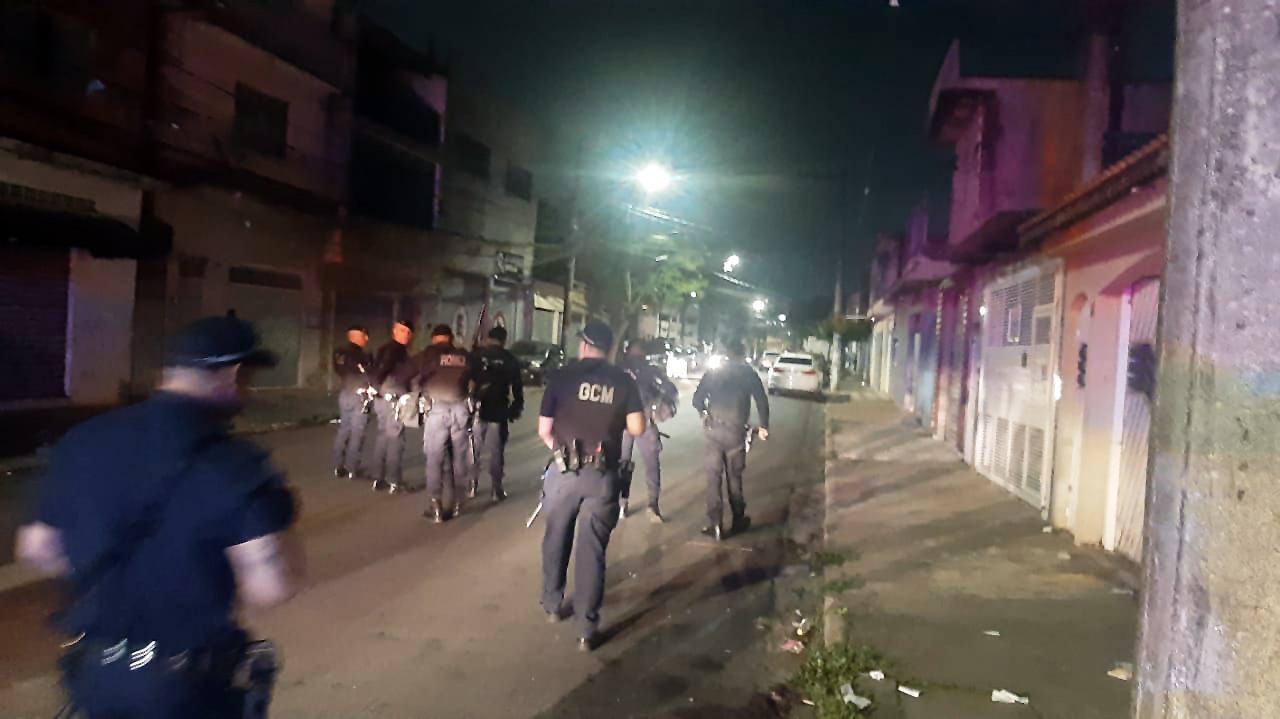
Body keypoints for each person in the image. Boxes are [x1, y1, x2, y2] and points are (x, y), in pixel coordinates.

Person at [15, 316, 302, 718]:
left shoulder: (82, 440)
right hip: (186, 687)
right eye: (248, 380)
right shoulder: (233, 464)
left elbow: (37, 549)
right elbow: (270, 587)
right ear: (233, 374)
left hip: (97, 675)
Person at [538, 320, 645, 651]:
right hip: (603, 477)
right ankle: (586, 628)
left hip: (565, 473)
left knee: (556, 538)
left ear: (584, 346)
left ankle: (553, 604)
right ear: (609, 349)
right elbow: (638, 428)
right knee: (592, 551)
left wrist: (562, 453)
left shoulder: (562, 377)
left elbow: (544, 430)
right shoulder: (623, 381)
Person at [692, 339, 770, 540]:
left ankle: (716, 524)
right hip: (736, 432)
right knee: (734, 477)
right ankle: (738, 519)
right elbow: (761, 400)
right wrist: (764, 426)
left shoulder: (714, 372)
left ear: (726, 354)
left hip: (713, 430)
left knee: (713, 478)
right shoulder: (749, 374)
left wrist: (704, 413)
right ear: (743, 355)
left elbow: (697, 399)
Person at [416, 324, 474, 522]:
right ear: (451, 338)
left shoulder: (429, 356)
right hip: (460, 410)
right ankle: (457, 503)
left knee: (434, 458)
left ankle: (436, 506)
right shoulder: (464, 356)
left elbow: (415, 378)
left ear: (434, 339)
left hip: (437, 410)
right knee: (459, 459)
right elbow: (479, 378)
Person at [617, 340, 676, 523]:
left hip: (628, 421)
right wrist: (659, 404)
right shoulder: (648, 370)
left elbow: (668, 390)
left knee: (625, 464)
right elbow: (669, 390)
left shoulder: (621, 369)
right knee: (648, 464)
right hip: (640, 420)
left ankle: (625, 504)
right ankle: (648, 505)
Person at [470, 325, 524, 502]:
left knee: (473, 449)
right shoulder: (509, 358)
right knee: (496, 451)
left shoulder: (477, 355)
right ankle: (496, 488)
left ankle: (472, 485)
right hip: (499, 409)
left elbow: (466, 379)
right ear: (504, 340)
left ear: (489, 338)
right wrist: (516, 407)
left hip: (477, 408)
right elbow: (517, 386)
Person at [370, 320, 418, 493]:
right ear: (394, 331)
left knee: (383, 436)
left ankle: (378, 477)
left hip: (382, 397)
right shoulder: (396, 350)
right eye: (402, 330)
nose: (405, 335)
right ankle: (394, 481)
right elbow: (383, 368)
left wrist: (375, 388)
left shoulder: (383, 348)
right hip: (393, 398)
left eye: (408, 332)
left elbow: (376, 369)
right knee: (396, 438)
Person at [332, 325, 374, 479]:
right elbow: (368, 375)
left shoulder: (339, 353)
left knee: (344, 430)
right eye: (365, 336)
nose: (366, 339)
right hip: (360, 396)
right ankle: (352, 468)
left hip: (345, 393)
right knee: (357, 433)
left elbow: (339, 371)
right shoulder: (363, 356)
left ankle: (338, 466)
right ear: (361, 336)